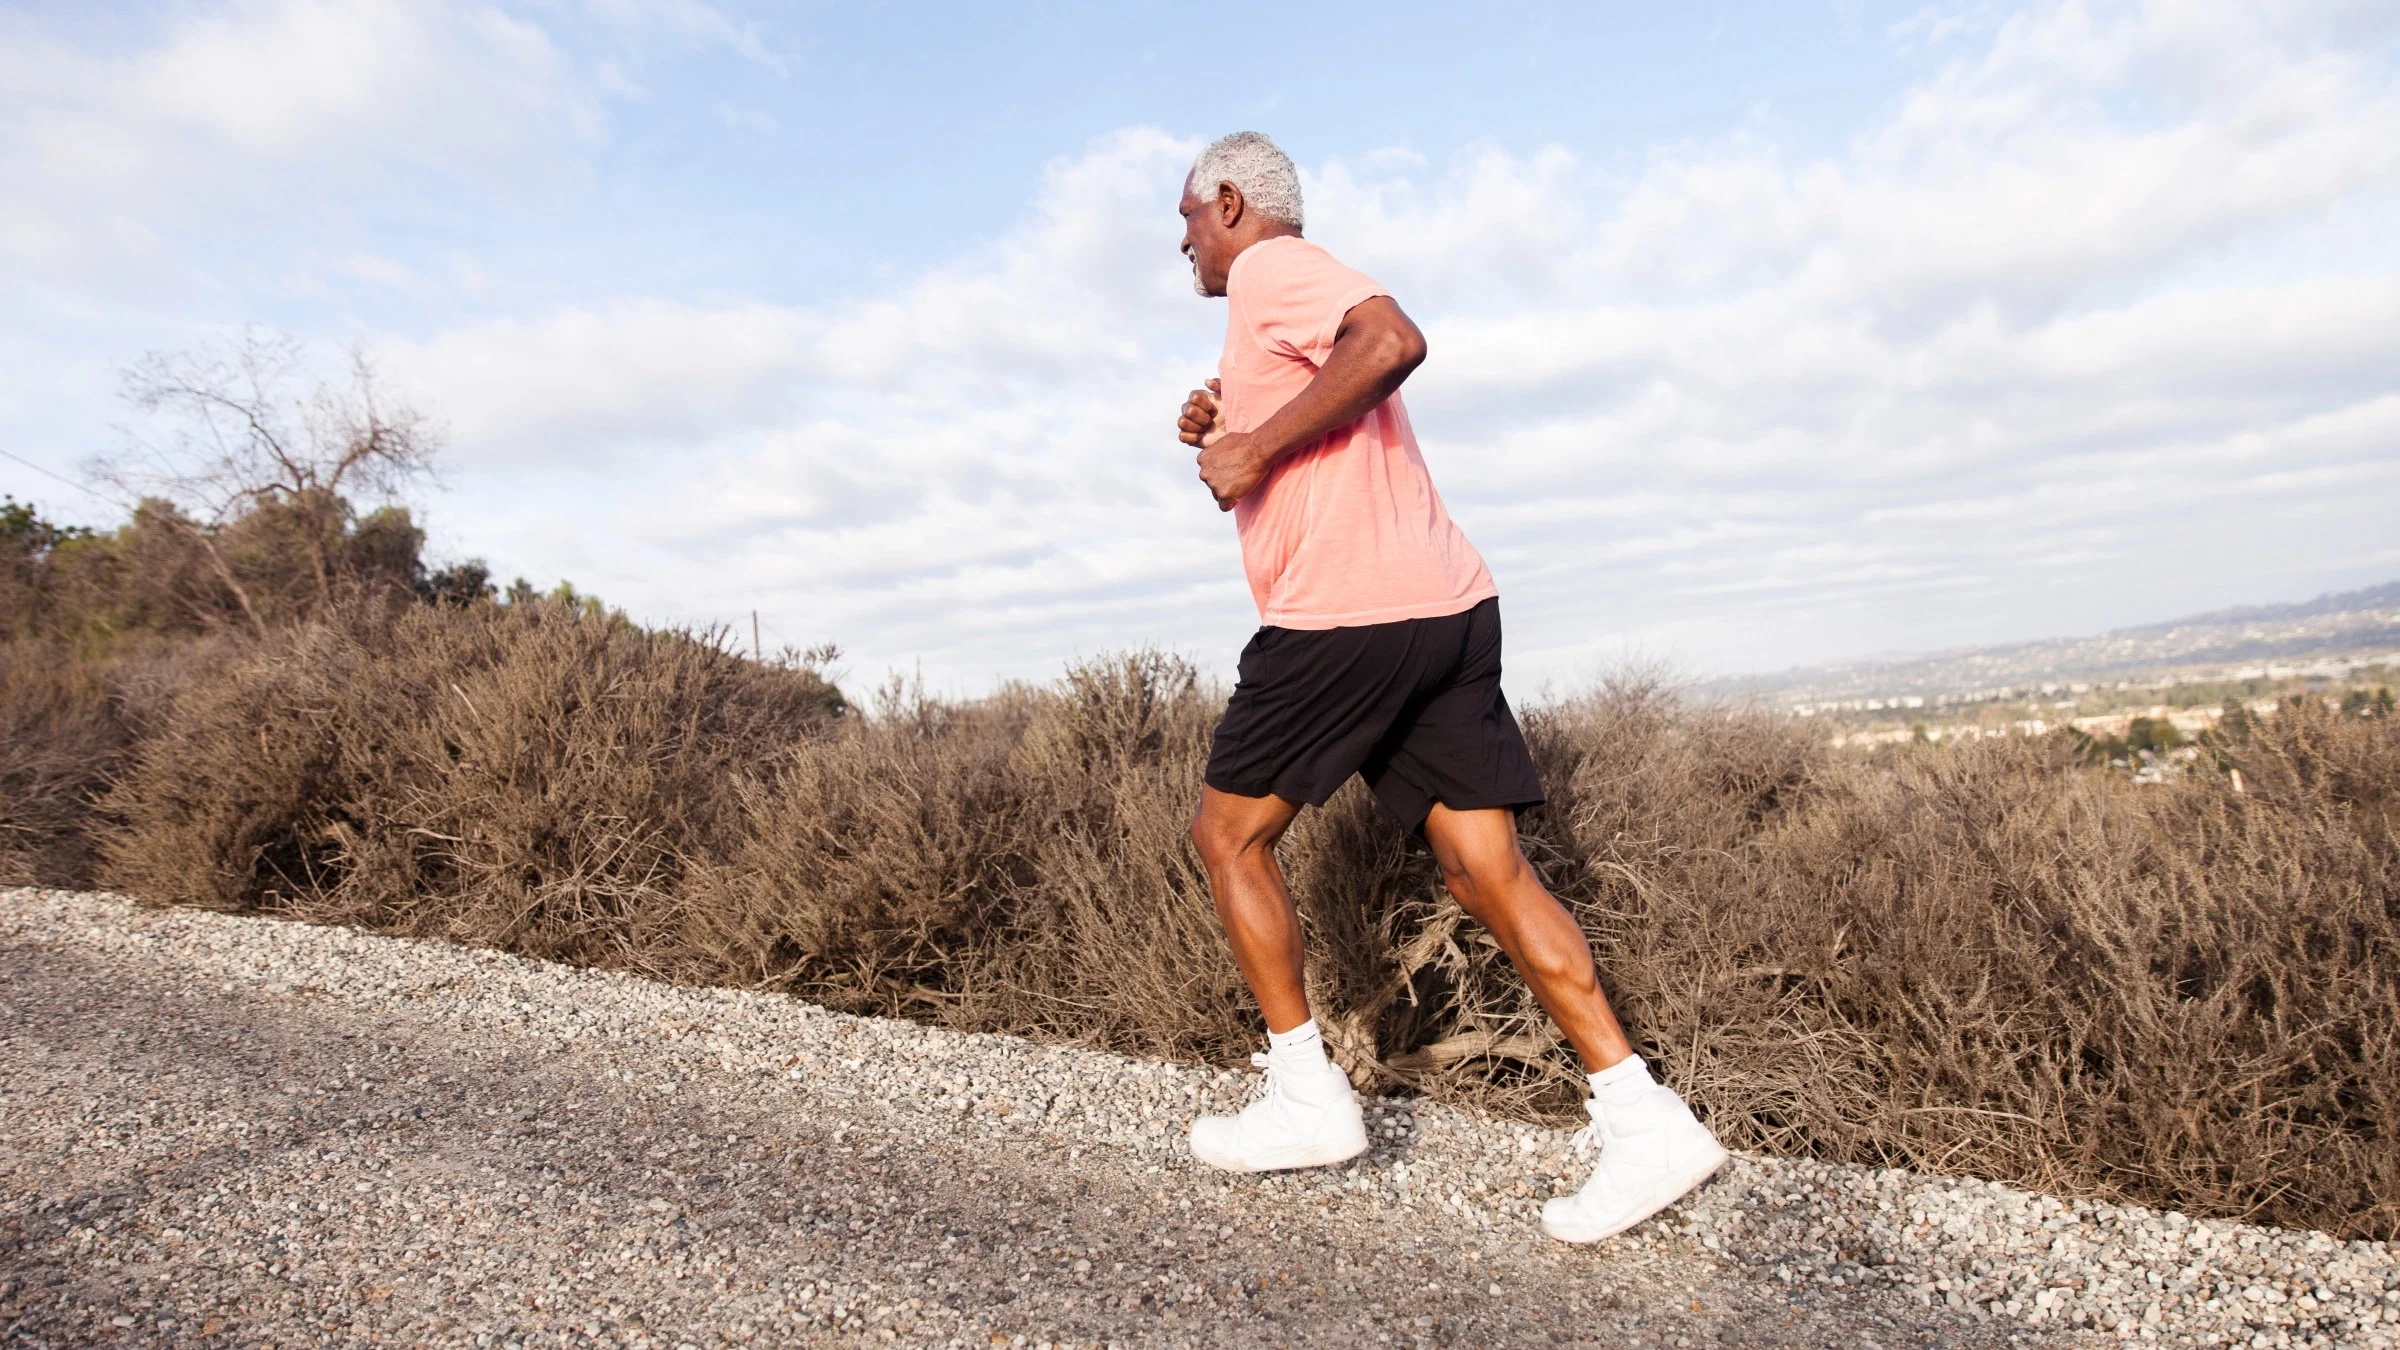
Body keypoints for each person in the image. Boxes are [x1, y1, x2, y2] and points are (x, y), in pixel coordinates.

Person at [1171, 131, 1726, 1244]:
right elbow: (1326, 392)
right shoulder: (1271, 316)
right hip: (1448, 609)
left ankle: (1306, 1097)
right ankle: (1643, 1115)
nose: (1180, 243)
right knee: (1487, 872)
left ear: (1230, 202)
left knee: (1228, 838)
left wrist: (1254, 444)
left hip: (1347, 618)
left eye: (1185, 218)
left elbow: (1392, 338)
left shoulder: (1277, 265)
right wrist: (1226, 421)